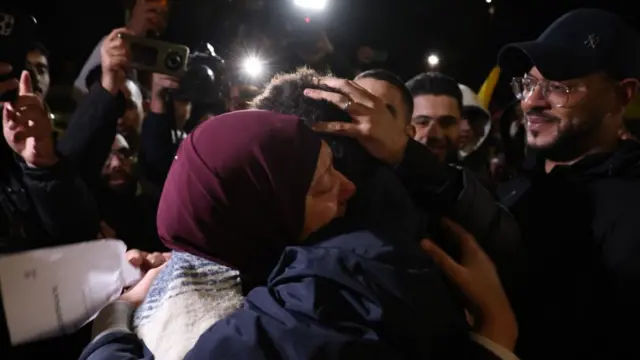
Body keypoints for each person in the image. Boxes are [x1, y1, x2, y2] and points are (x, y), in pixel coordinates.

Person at [497, 8, 640, 359]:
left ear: (622, 95)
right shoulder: (515, 185)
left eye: (559, 87)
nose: (531, 102)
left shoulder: (632, 206)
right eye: (528, 84)